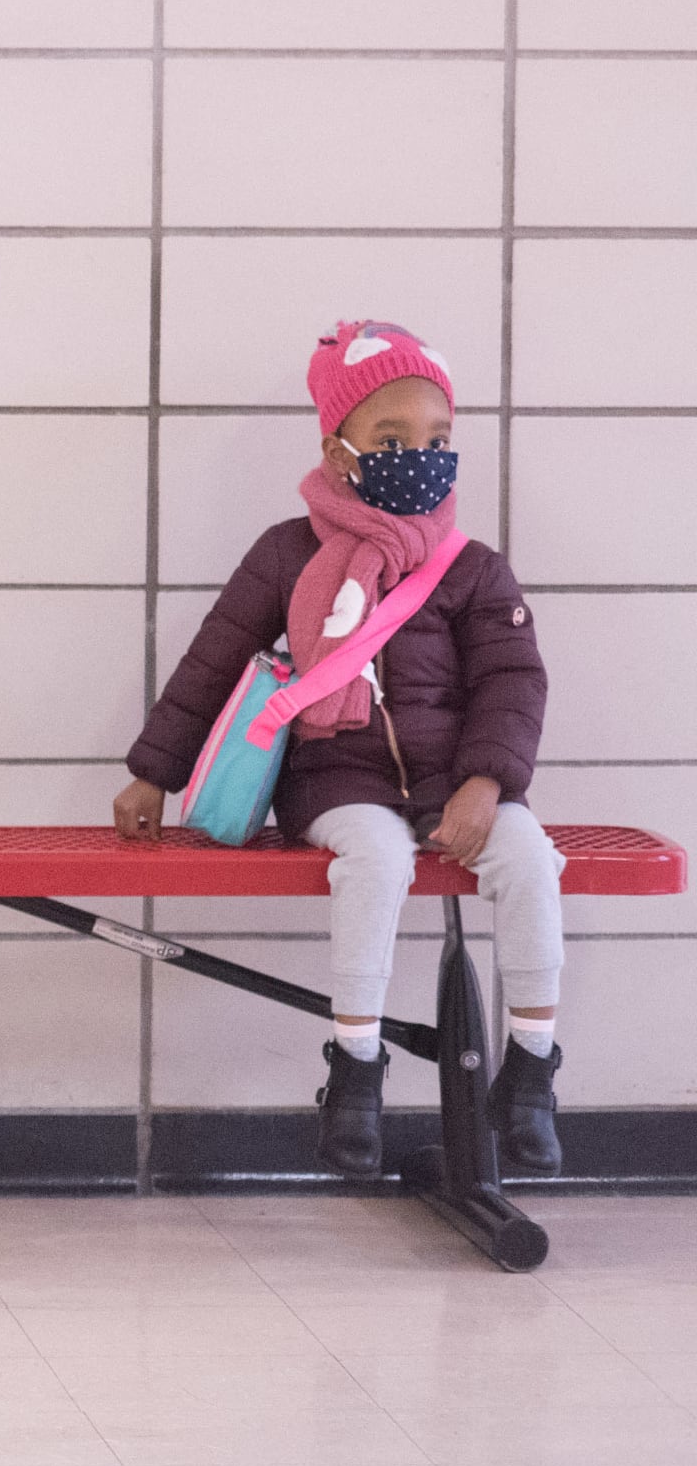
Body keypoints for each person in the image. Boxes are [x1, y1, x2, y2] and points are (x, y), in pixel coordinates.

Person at [114, 319, 561, 1178]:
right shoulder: (288, 553)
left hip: (457, 782)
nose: (419, 455)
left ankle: (532, 1073)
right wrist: (150, 773)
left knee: (531, 859)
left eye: (437, 439)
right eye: (391, 438)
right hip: (336, 777)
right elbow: (212, 661)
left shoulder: (471, 569)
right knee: (377, 858)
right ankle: (356, 1069)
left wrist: (486, 784)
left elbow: (514, 684)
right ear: (339, 447)